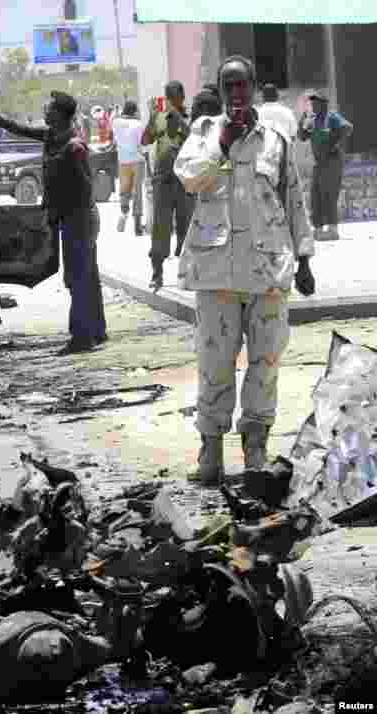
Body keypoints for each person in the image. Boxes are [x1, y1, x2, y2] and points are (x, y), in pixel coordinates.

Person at [174, 55, 315, 485]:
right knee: (214, 362)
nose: (236, 93)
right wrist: (223, 142)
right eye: (228, 85)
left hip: (267, 271)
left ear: (253, 88)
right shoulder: (202, 133)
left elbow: (292, 198)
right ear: (220, 90)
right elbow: (189, 178)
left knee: (265, 362)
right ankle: (210, 451)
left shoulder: (275, 139)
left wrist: (305, 258)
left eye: (242, 85)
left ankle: (255, 447)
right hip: (215, 273)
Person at [0, 91, 107, 355]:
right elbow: (19, 129)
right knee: (86, 276)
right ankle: (96, 331)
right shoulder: (51, 137)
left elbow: (85, 191)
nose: (45, 110)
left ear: (59, 115)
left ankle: (82, 338)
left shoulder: (74, 147)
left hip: (78, 219)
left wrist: (60, 215)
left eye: (50, 108)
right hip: (69, 219)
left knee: (78, 278)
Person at [142, 80, 194, 290]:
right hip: (162, 181)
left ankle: (189, 272)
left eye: (175, 98)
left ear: (181, 99)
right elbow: (145, 140)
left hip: (184, 182)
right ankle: (157, 273)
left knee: (187, 226)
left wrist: (180, 120)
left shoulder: (191, 119)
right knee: (161, 228)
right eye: (169, 98)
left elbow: (194, 140)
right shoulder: (159, 118)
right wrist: (151, 117)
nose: (172, 102)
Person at [298, 92, 353, 241]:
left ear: (324, 104)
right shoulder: (313, 120)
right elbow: (302, 137)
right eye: (312, 103)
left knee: (329, 194)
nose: (313, 105)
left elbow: (347, 127)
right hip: (319, 163)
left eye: (316, 103)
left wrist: (334, 143)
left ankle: (333, 229)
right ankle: (318, 229)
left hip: (332, 162)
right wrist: (302, 121)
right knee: (315, 195)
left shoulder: (331, 117)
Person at [112, 100, 145, 235]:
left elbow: (115, 137)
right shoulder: (138, 124)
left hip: (123, 160)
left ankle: (123, 214)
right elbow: (140, 143)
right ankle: (137, 225)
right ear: (135, 111)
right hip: (137, 160)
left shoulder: (116, 123)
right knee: (137, 192)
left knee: (125, 190)